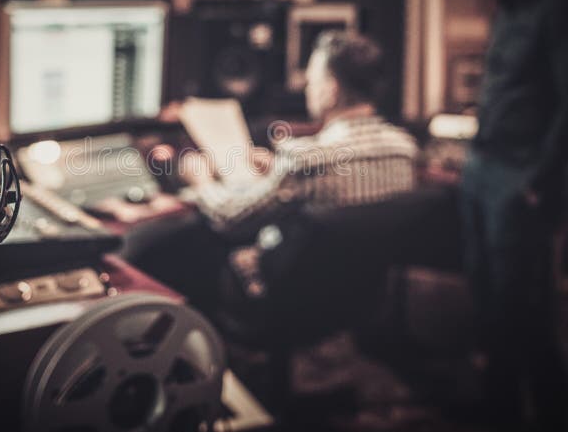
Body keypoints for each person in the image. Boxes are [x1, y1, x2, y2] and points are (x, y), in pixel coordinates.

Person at [127, 31, 418, 312]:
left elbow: (231, 218)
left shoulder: (307, 162)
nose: (307, 87)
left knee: (166, 246)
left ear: (331, 91)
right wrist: (277, 169)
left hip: (292, 300)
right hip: (359, 296)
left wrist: (201, 182)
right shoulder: (404, 149)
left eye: (312, 80)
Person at [462, 0, 568, 431]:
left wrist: (540, 179)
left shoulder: (564, 12)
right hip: (482, 169)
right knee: (488, 308)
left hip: (518, 179)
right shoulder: (509, 9)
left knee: (525, 313)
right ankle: (497, 411)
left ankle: (550, 414)